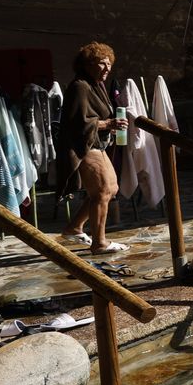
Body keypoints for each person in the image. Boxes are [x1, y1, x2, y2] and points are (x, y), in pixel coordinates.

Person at [58, 41, 129, 254]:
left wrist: (112, 125)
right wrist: (108, 124)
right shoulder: (80, 86)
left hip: (97, 143)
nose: (107, 68)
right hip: (83, 146)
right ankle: (99, 243)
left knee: (111, 188)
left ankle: (74, 228)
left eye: (109, 64)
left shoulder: (96, 85)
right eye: (101, 63)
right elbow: (76, 122)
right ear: (87, 64)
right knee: (102, 191)